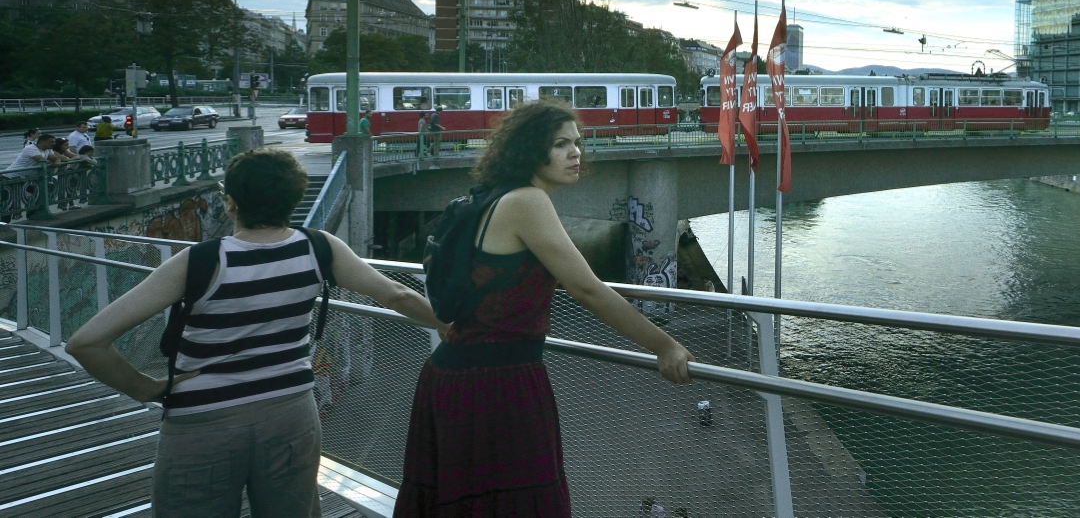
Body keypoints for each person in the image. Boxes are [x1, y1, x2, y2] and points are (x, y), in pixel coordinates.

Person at [65, 148, 445, 518]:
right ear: (293, 200)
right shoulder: (319, 248)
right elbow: (398, 295)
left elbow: (87, 343)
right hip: (291, 413)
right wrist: (455, 328)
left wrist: (146, 388)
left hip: (203, 424)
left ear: (230, 203)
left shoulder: (200, 261)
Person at [396, 101, 692, 516]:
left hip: (454, 377)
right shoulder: (528, 202)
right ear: (530, 150)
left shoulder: (490, 199)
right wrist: (664, 345)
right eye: (560, 144)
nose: (576, 153)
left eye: (577, 143)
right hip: (497, 384)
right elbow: (587, 289)